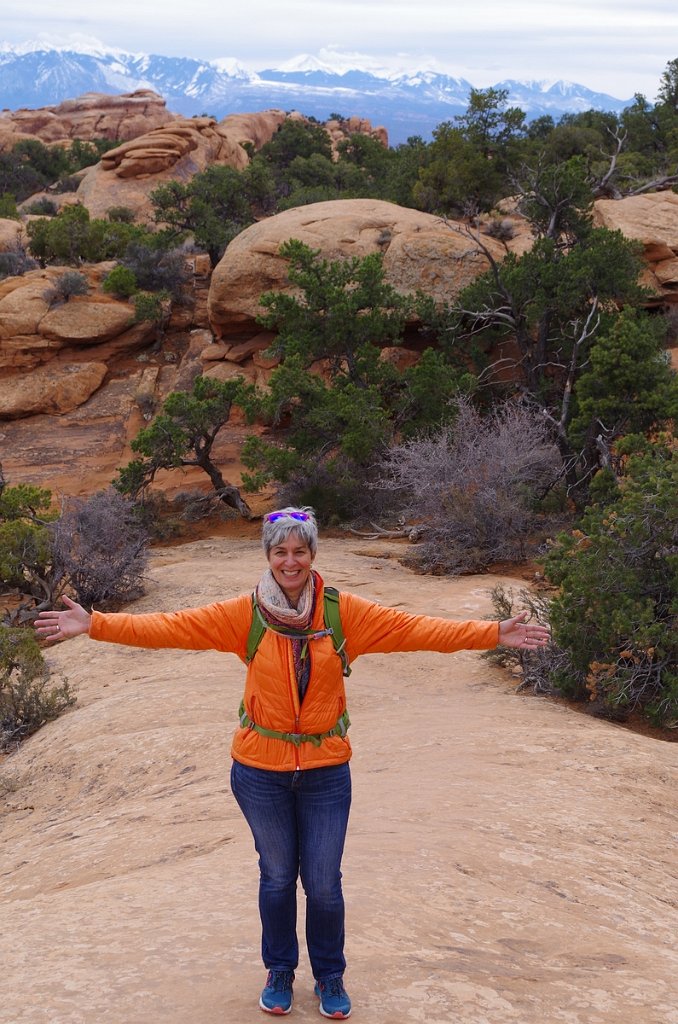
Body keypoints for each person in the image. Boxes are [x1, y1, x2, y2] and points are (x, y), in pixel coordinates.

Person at [35, 506, 549, 1019]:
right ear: (268, 555)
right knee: (278, 876)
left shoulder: (343, 612)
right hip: (260, 770)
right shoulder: (246, 614)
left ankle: (330, 976)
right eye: (280, 551)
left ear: (312, 555)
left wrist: (490, 633)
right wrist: (96, 624)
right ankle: (280, 969)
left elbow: (414, 629)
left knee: (324, 884)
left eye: (299, 551)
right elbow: (173, 627)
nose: (290, 561)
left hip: (326, 769)